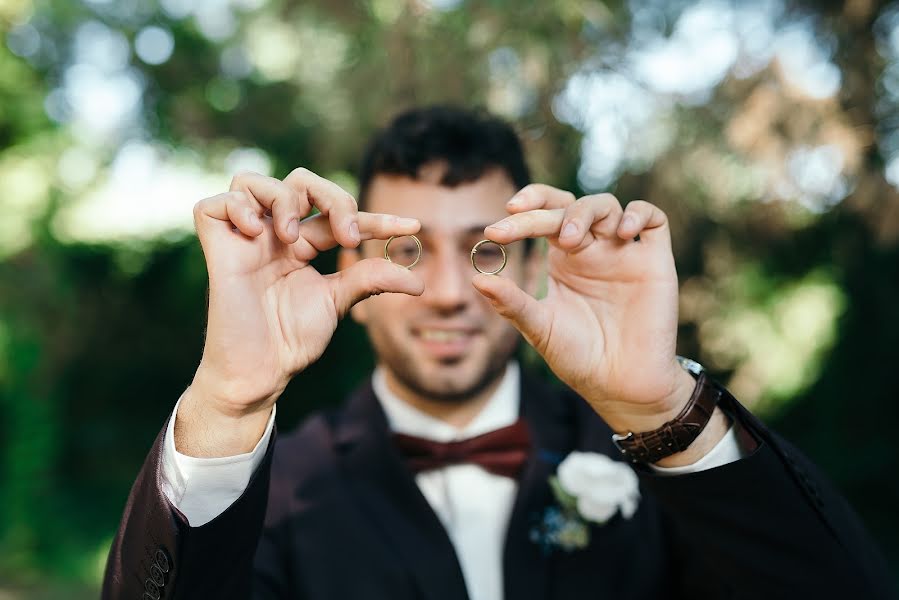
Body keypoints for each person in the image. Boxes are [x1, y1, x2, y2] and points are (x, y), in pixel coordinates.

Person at [103, 106, 892, 600]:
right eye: (408, 251)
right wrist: (225, 400)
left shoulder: (654, 465)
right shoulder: (276, 490)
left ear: (537, 263)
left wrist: (661, 411)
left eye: (483, 250)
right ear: (349, 272)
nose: (448, 293)